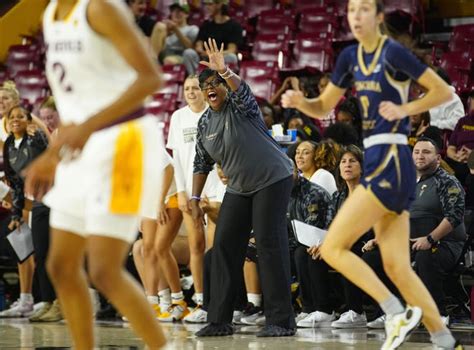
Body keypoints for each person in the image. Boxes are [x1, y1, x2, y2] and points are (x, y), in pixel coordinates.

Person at [281, 1, 461, 349]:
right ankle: (444, 340)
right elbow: (322, 106)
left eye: (364, 9)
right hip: (380, 160)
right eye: (351, 10)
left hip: (392, 160)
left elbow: (443, 91)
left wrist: (405, 108)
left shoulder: (392, 52)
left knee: (333, 247)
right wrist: (299, 102)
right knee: (397, 267)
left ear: (379, 17)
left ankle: (395, 312)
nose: (356, 16)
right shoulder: (349, 57)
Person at [24, 0, 167, 348]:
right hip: (81, 145)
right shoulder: (51, 13)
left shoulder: (100, 8)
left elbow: (151, 78)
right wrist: (53, 155)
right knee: (60, 265)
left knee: (103, 269)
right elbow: (74, 107)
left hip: (124, 142)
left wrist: (83, 131)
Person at [192, 38, 295, 337]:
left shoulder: (241, 107)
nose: (211, 88)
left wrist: (225, 72)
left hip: (272, 178)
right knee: (224, 245)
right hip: (239, 186)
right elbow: (201, 162)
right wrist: (195, 195)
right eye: (205, 85)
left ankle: (281, 321)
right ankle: (220, 319)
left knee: (268, 243)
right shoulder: (204, 123)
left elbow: (242, 91)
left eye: (216, 83)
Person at [365, 138, 466, 328]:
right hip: (409, 242)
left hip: (444, 244)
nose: (420, 155)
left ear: (437, 158)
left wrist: (430, 238)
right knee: (373, 258)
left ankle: (438, 313)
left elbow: (454, 216)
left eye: (426, 152)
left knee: (425, 256)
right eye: (417, 151)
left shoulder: (447, 181)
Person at [158, 75, 220, 323]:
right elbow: (178, 161)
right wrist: (182, 191)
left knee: (214, 248)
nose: (191, 92)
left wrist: (209, 191)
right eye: (187, 89)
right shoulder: (178, 117)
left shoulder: (215, 114)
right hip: (190, 192)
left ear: (205, 91)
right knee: (196, 246)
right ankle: (200, 300)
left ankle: (220, 300)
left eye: (195, 88)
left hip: (214, 189)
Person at [182, 0, 243, 75]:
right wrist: (204, 52)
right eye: (206, 4)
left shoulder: (234, 26)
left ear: (219, 5)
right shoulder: (206, 25)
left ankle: (222, 83)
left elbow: (231, 50)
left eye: (210, 4)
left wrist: (214, 55)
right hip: (206, 57)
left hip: (222, 57)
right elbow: (198, 46)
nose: (207, 7)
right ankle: (196, 80)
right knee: (188, 53)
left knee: (231, 57)